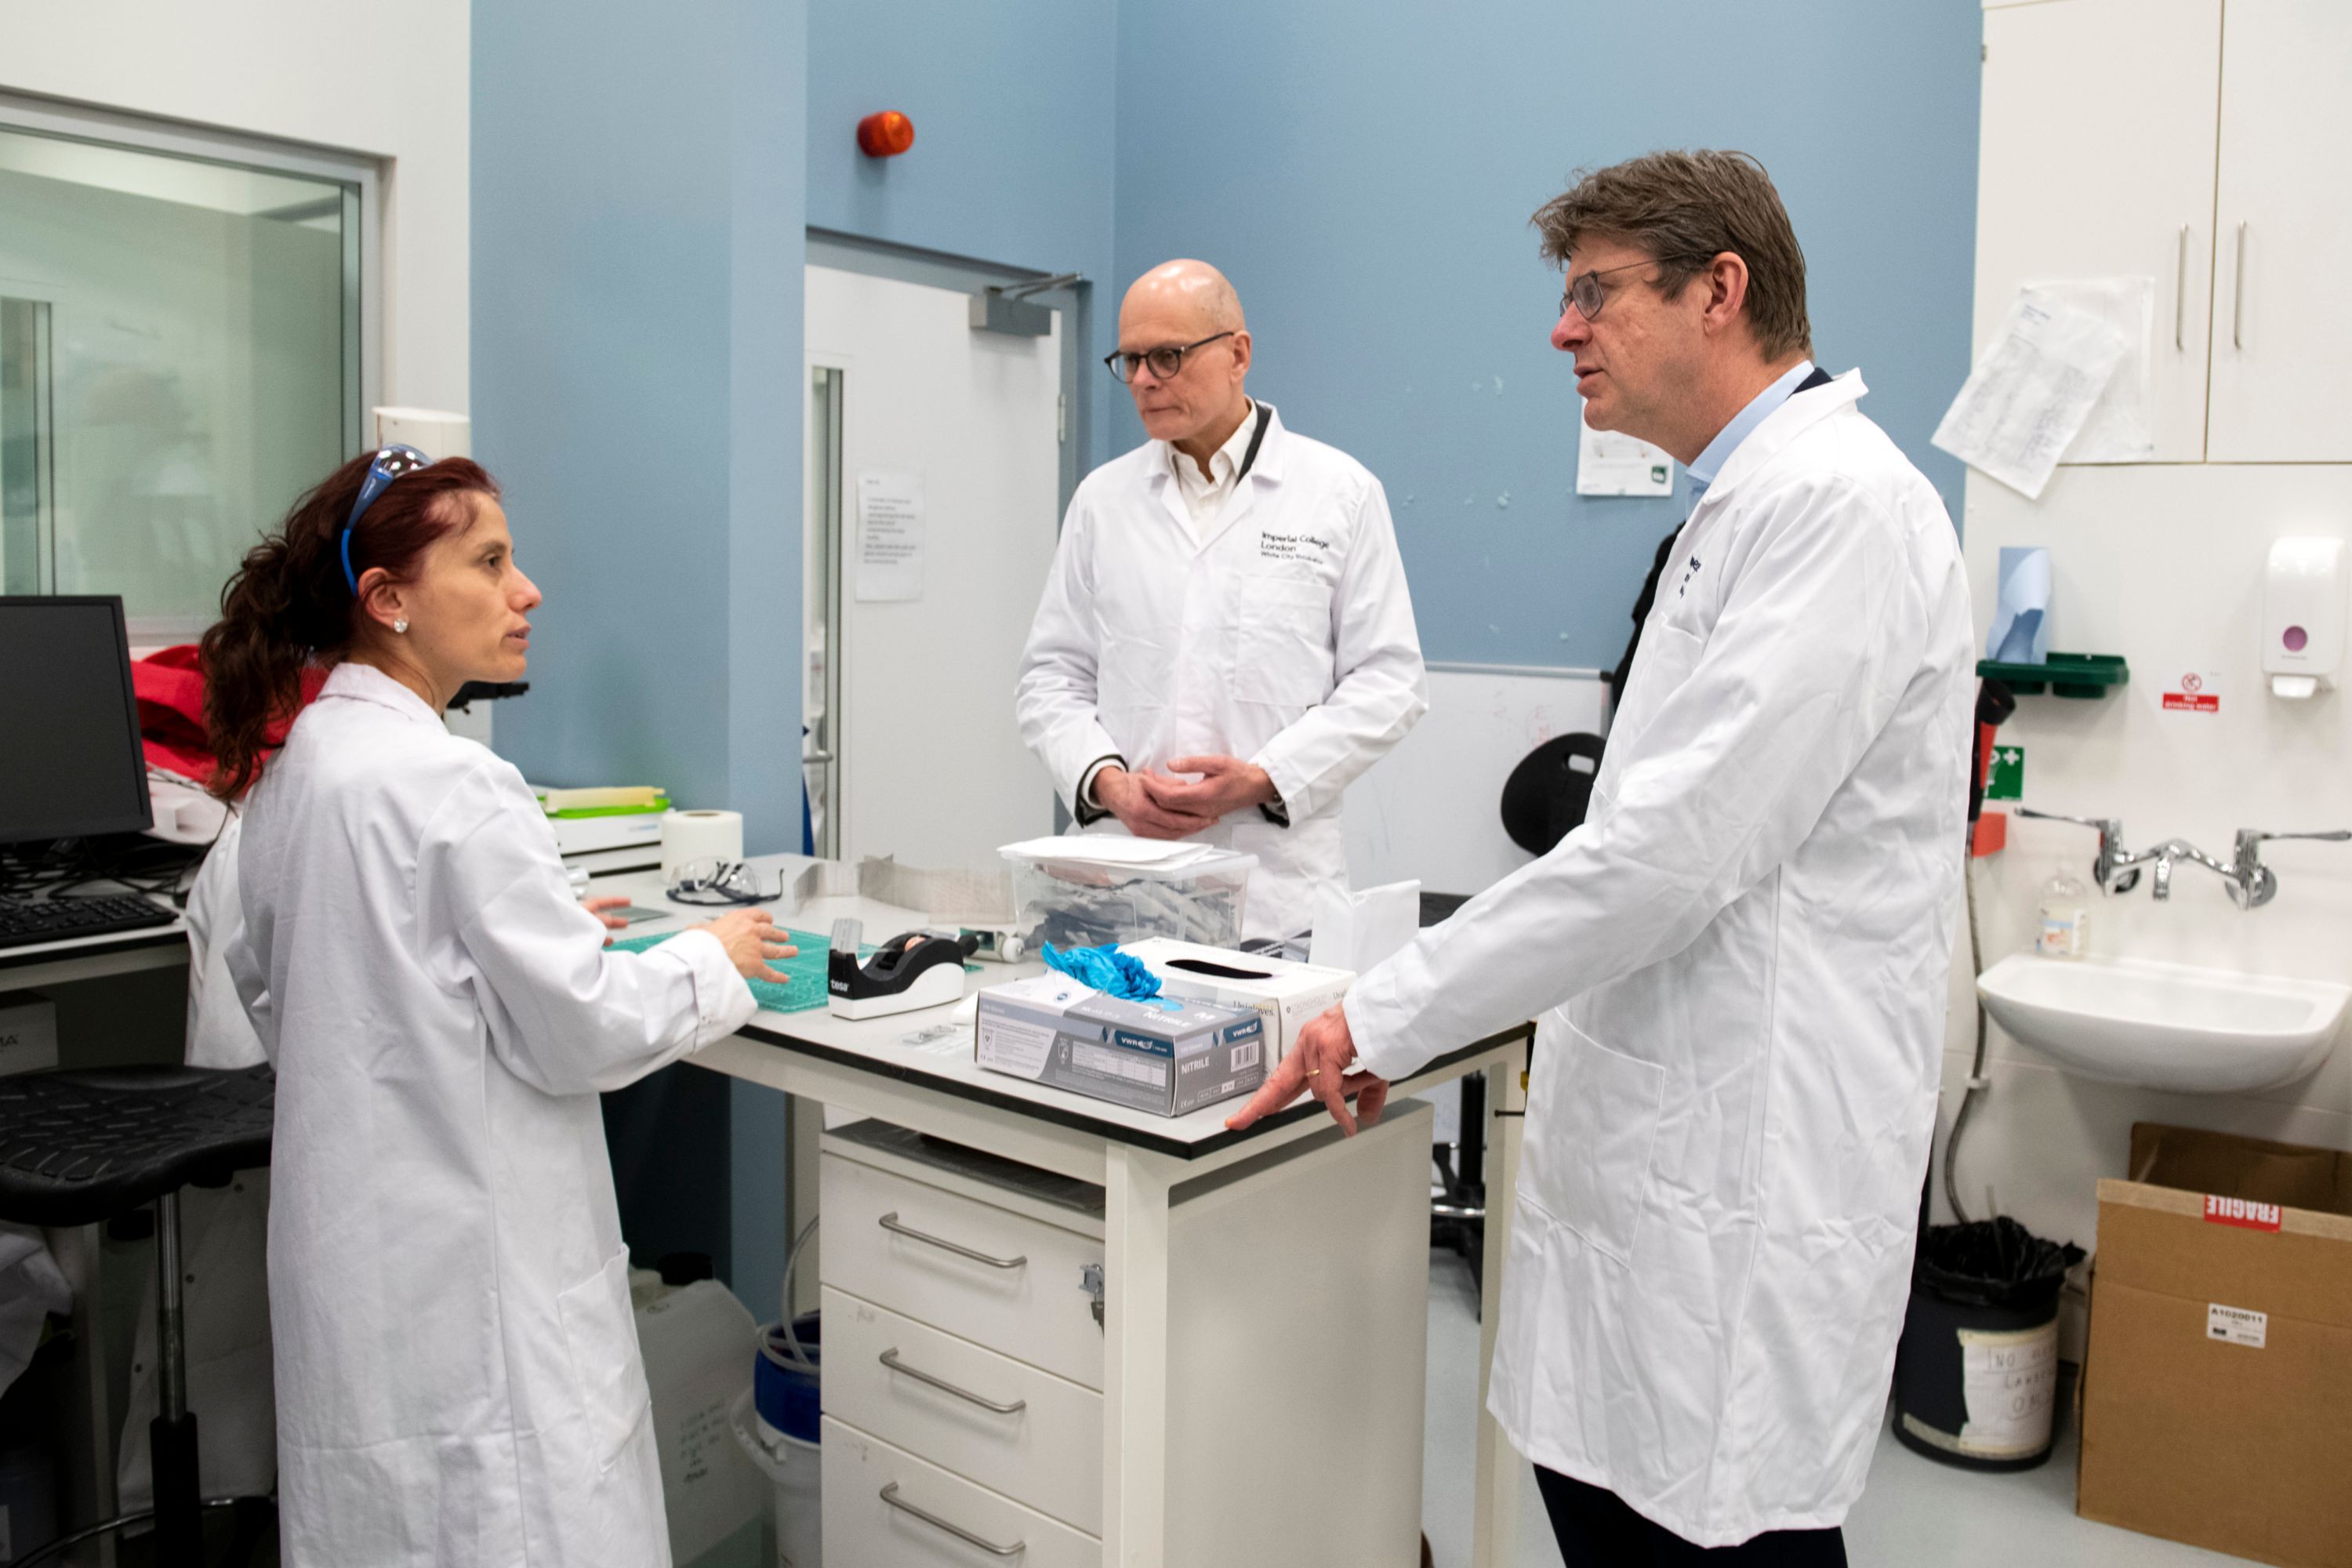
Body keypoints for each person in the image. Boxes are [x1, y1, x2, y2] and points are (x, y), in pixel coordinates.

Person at [1230, 151, 1974, 1563]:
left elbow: (1663, 859)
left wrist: (1388, 1007)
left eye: (1594, 293)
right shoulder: (1735, 505)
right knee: (1616, 1504)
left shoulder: (1839, 508)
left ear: (1721, 292)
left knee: (1717, 1529)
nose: (1561, 331)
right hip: (1659, 1147)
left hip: (1745, 1163)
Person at [205, 447, 795, 1566]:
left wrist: (527, 930)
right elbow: (585, 1030)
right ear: (387, 601)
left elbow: (288, 976)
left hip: (362, 1266)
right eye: (489, 562)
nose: (527, 591)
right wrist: (712, 956)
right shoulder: (456, 783)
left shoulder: (303, 766)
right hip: (475, 1282)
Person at [1014, 260, 1427, 943]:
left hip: (1275, 897)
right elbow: (1050, 678)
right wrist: (1106, 783)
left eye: (1168, 357)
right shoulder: (1103, 501)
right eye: (1133, 360)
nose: (1144, 380)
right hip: (1122, 887)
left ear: (1238, 354)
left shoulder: (1339, 493)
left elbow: (1391, 682)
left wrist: (1265, 777)